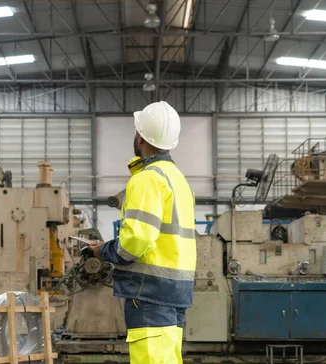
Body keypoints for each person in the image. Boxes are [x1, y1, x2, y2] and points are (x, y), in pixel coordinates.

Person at [90, 101, 196, 364]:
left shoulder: (146, 179)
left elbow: (135, 242)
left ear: (140, 137)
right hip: (177, 292)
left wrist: (102, 250)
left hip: (149, 292)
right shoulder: (180, 181)